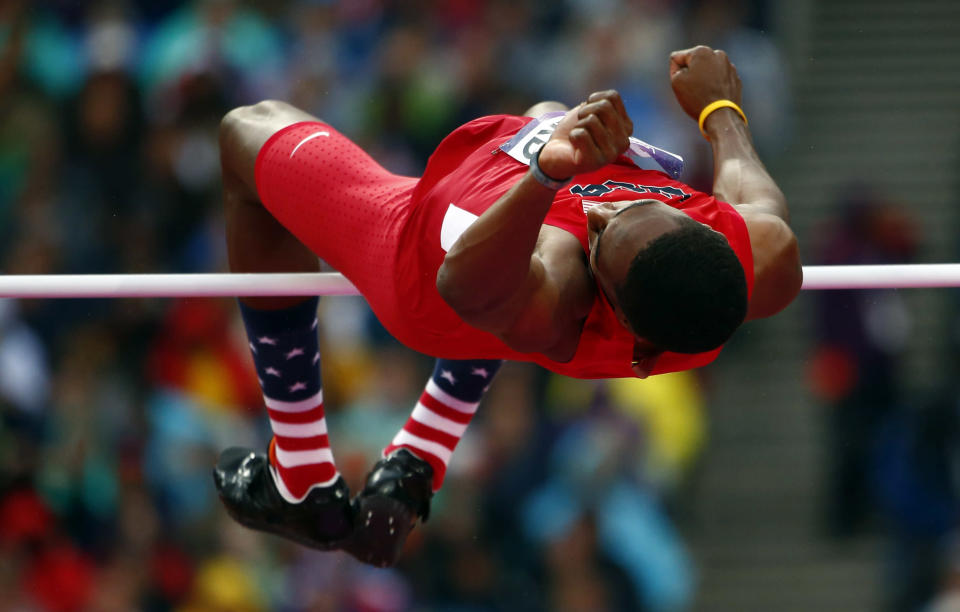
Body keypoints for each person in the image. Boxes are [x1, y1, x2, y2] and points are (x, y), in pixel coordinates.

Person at [213, 46, 801, 568]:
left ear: (628, 329)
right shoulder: (757, 263)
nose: (601, 215)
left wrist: (548, 171)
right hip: (508, 241)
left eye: (600, 239)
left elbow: (465, 285)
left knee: (247, 130)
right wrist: (719, 110)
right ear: (718, 236)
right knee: (546, 107)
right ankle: (418, 456)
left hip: (421, 251)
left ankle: (301, 476)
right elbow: (755, 198)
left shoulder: (557, 293)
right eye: (628, 209)